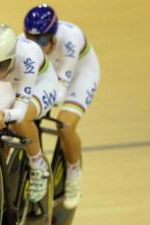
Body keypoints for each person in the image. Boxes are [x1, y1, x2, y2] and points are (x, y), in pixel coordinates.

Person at [0, 24, 58, 203]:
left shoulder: (27, 58)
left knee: (20, 123)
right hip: (11, 82)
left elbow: (20, 111)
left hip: (41, 83)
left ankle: (38, 167)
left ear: (12, 57)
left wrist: (5, 116)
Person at [23, 4, 101, 209]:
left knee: (65, 125)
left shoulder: (70, 40)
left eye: (41, 41)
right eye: (31, 39)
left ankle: (74, 172)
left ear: (54, 35)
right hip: (48, 72)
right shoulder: (26, 42)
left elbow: (60, 89)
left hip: (79, 75)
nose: (36, 45)